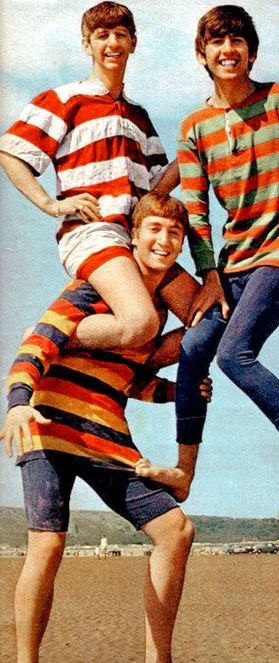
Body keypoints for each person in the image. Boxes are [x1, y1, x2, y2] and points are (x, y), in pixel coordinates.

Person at [0, 193, 210, 663]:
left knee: (175, 530)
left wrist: (175, 392)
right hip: (47, 426)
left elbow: (130, 382)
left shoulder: (151, 317)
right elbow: (38, 342)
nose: (163, 240)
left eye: (173, 233)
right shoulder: (93, 287)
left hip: (106, 437)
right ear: (133, 236)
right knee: (48, 544)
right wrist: (17, 404)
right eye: (153, 229)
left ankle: (161, 658)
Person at [176, 5, 279, 496]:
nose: (228, 50)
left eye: (237, 41)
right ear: (202, 53)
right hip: (232, 265)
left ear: (251, 51)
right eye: (218, 42)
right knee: (191, 351)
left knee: (233, 356)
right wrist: (208, 275)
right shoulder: (195, 127)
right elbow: (196, 211)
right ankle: (185, 470)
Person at [0, 1, 180, 354]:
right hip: (92, 233)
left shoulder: (139, 117)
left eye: (120, 35)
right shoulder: (65, 99)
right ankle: (41, 338)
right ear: (88, 44)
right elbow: (10, 153)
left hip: (133, 240)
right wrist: (51, 204)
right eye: (102, 35)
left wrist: (196, 146)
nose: (112, 43)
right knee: (142, 322)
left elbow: (157, 188)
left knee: (209, 318)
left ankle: (135, 377)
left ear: (133, 43)